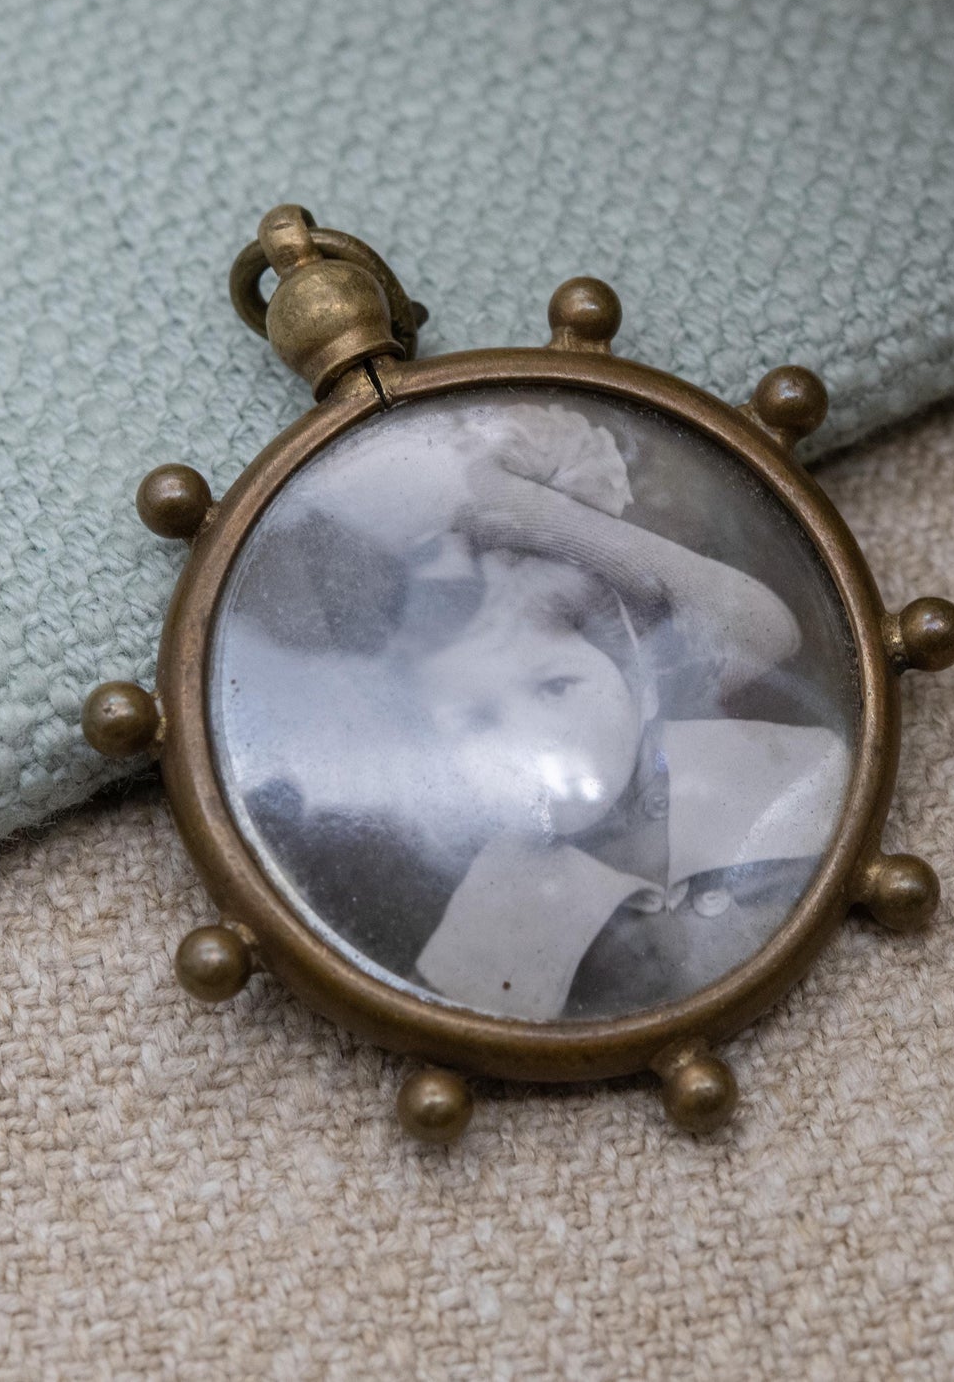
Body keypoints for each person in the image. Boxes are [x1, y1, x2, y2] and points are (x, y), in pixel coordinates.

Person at [215, 398, 850, 1020]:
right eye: (475, 720)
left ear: (639, 682)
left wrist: (538, 517)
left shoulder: (775, 771)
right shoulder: (498, 900)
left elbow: (761, 627)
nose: (533, 742)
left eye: (555, 688)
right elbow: (464, 1016)